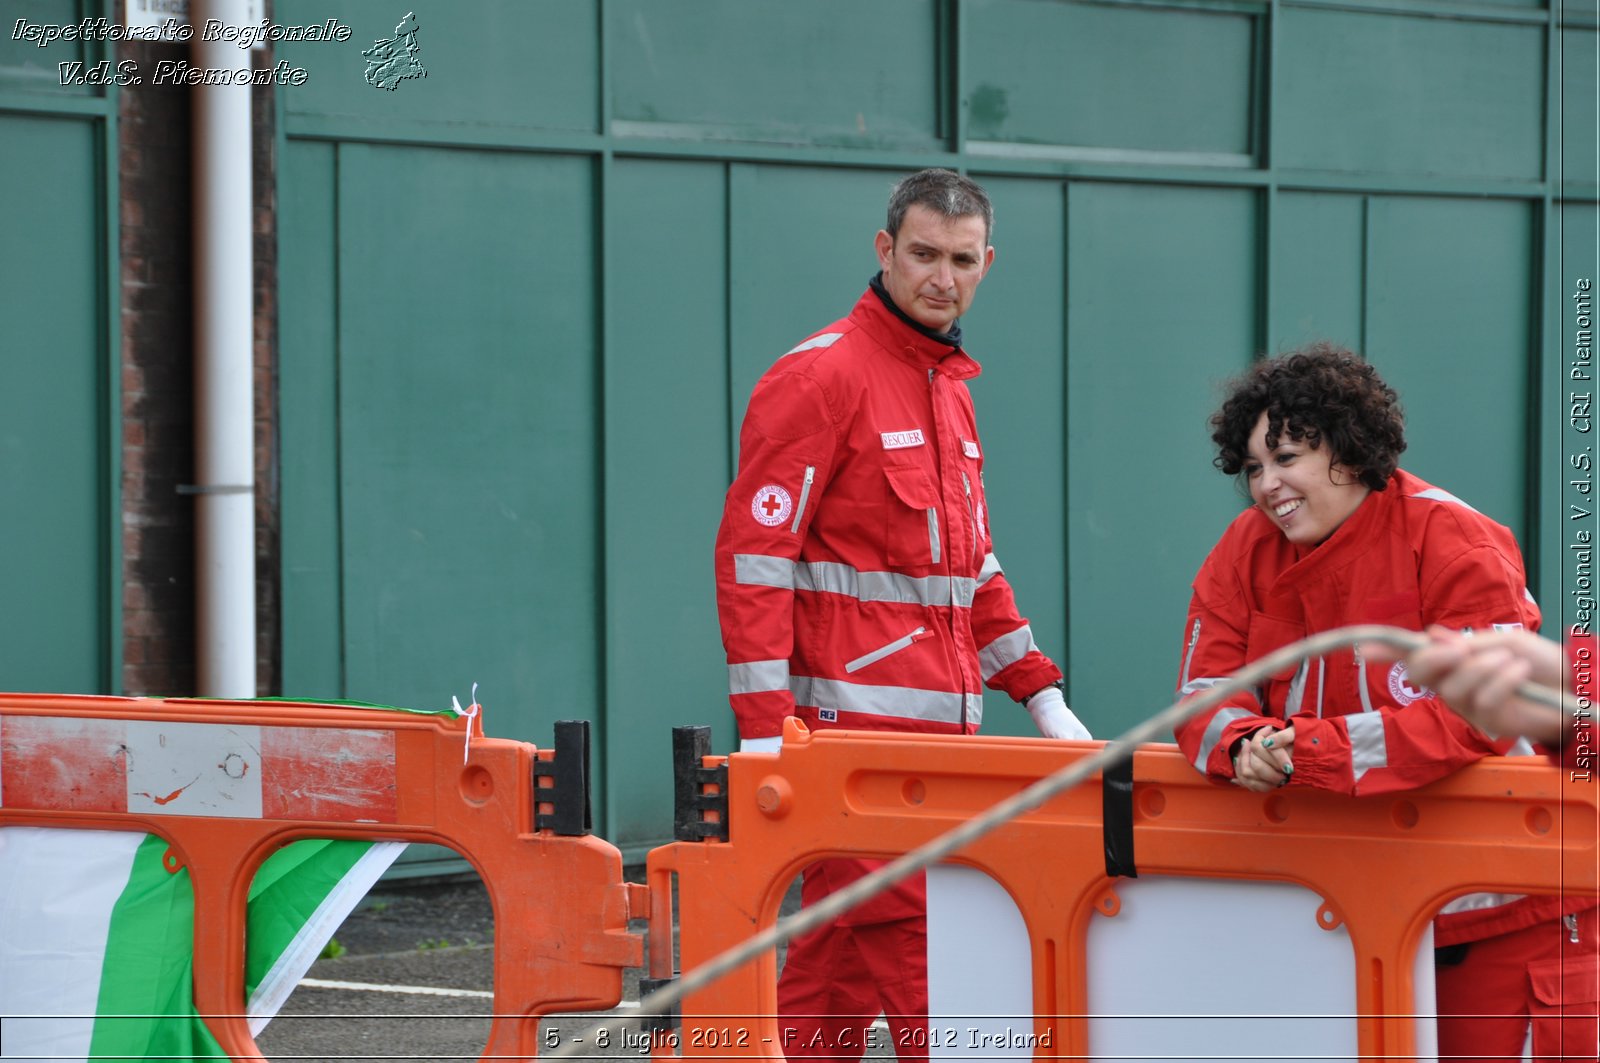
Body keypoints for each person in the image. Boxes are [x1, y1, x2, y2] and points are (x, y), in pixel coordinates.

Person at [713, 168, 1089, 1062]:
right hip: (850, 750)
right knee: (935, 971)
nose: (941, 277)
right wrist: (767, 735)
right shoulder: (819, 378)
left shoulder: (949, 387)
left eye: (962, 260)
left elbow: (971, 568)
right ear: (884, 252)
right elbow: (754, 563)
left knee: (829, 976)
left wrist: (1042, 696)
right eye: (922, 254)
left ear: (987, 263)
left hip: (931, 747)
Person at [1171, 344, 1597, 1061]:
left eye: (1286, 457)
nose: (1266, 485)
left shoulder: (1453, 538)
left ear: (1348, 448)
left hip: (1512, 916)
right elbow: (1200, 694)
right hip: (1348, 915)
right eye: (1253, 467)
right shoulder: (1242, 551)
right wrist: (1240, 743)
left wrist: (1306, 752)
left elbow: (1476, 720)